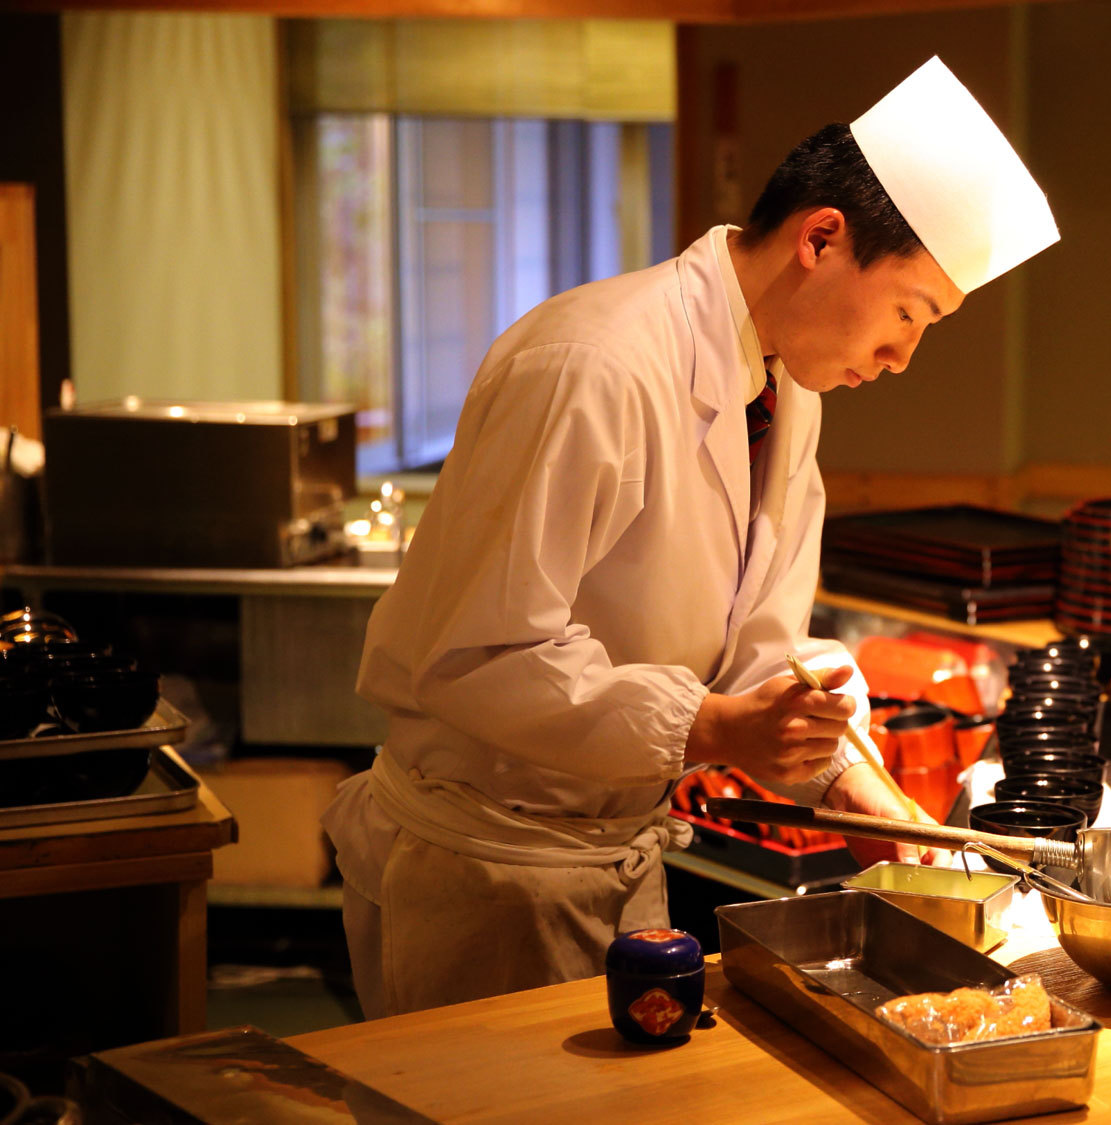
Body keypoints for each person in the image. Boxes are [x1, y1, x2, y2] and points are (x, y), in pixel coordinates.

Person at [321, 57, 1059, 1019]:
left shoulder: (785, 388)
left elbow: (761, 645)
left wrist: (847, 778)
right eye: (908, 314)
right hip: (489, 873)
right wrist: (712, 728)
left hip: (621, 861)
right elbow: (480, 653)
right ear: (822, 238)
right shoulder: (593, 362)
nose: (901, 357)